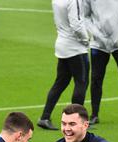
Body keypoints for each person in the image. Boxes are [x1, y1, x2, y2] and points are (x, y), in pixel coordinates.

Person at [36, 0, 90, 131]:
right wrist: (86, 39)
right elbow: (76, 25)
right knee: (81, 82)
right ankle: (76, 120)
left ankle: (45, 117)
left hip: (62, 44)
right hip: (75, 47)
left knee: (60, 82)